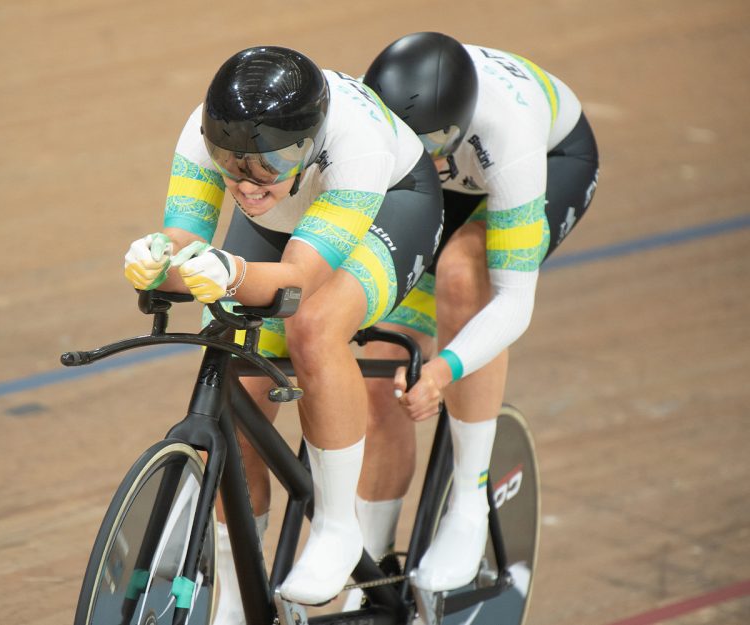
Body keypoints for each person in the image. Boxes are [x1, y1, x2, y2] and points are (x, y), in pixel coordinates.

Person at [122, 46, 444, 621]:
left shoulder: (356, 143)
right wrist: (154, 258)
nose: (246, 183)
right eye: (231, 162)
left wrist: (233, 272)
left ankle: (340, 529)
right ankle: (235, 597)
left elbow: (298, 279)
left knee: (315, 327)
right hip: (283, 221)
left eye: (266, 164)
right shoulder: (207, 135)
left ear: (308, 143)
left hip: (390, 206)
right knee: (234, 364)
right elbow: (182, 236)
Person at [342, 31, 600, 606]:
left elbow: (513, 303)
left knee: (464, 271)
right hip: (450, 180)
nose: (421, 154)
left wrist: (444, 369)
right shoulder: (369, 118)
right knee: (382, 365)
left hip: (552, 163)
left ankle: (469, 502)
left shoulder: (509, 132)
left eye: (431, 143)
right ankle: (374, 569)